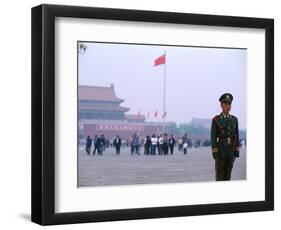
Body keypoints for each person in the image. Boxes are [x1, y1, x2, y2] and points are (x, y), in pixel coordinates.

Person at [211, 93, 240, 181]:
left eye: (229, 104)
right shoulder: (216, 119)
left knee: (228, 176)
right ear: (221, 105)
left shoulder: (234, 119)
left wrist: (236, 152)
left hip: (231, 152)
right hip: (220, 153)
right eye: (225, 103)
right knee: (220, 177)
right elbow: (213, 138)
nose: (228, 106)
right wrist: (215, 154)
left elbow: (236, 135)